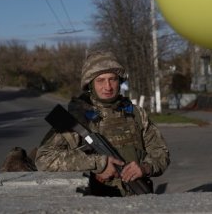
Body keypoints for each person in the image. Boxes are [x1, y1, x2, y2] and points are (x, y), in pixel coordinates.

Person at [35, 50, 170, 196]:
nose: (108, 87)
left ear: (120, 81)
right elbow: (44, 159)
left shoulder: (136, 114)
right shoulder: (77, 119)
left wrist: (145, 168)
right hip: (98, 203)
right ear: (90, 85)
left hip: (139, 198)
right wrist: (98, 163)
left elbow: (161, 153)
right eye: (100, 80)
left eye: (113, 79)